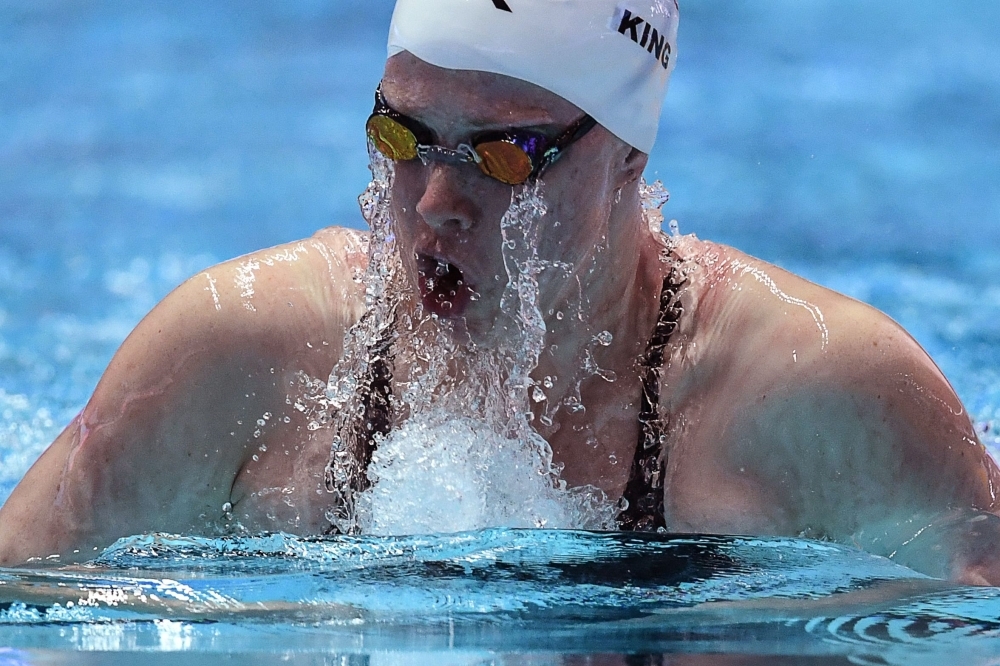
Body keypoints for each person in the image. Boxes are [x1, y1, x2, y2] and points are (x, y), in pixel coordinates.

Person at [2, 0, 1000, 584]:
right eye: (401, 136)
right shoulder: (237, 349)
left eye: (507, 156)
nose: (436, 203)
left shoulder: (817, 392)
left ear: (626, 156)